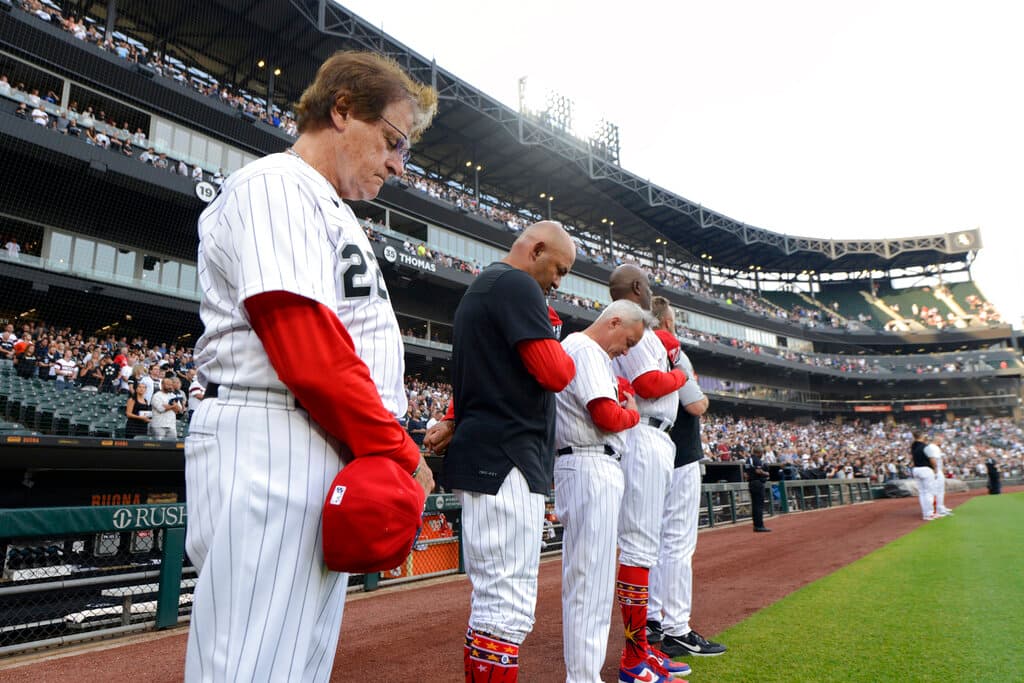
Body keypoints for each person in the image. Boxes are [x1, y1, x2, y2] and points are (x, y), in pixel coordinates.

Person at [183, 51, 437, 683]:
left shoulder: (329, 208)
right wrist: (401, 451)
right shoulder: (275, 183)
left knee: (294, 666)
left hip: (318, 443)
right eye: (393, 142)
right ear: (342, 108)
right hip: (272, 438)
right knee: (249, 667)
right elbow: (306, 346)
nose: (397, 165)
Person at [435, 221, 577, 682]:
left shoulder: (486, 286)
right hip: (506, 460)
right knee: (506, 604)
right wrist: (572, 352)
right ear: (536, 250)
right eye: (559, 268)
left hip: (492, 456)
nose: (559, 282)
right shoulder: (515, 284)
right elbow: (556, 373)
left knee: (497, 601)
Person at [555, 300, 681, 683]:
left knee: (589, 583)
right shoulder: (585, 348)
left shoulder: (587, 352)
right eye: (626, 341)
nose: (626, 351)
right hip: (589, 462)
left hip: (591, 463)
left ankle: (585, 676)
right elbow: (608, 416)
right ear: (612, 322)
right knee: (589, 585)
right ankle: (583, 678)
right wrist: (631, 415)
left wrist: (624, 404)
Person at [607, 265, 689, 683]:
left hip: (654, 437)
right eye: (649, 285)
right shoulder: (629, 321)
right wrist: (682, 375)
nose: (653, 290)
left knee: (647, 546)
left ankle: (642, 651)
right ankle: (633, 657)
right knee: (639, 548)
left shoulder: (643, 327)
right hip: (641, 435)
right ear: (638, 288)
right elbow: (649, 383)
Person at [646, 297, 726, 658]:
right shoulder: (670, 347)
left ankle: (650, 622)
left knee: (648, 542)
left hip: (645, 455)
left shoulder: (634, 348)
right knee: (677, 544)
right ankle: (677, 628)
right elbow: (695, 404)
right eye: (673, 319)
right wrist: (700, 393)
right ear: (664, 319)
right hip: (678, 456)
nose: (675, 324)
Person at [910, 431, 938, 520]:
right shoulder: (925, 447)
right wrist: (936, 469)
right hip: (926, 470)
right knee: (929, 492)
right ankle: (929, 513)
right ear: (922, 436)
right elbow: (932, 460)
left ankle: (926, 513)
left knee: (922, 493)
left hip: (916, 469)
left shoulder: (913, 446)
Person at [744, 446, 772, 532]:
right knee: (759, 505)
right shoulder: (756, 459)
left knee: (755, 505)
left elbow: (745, 474)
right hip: (757, 483)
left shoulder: (748, 459)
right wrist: (766, 473)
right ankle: (759, 526)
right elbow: (758, 471)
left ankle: (757, 525)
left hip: (751, 483)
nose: (762, 455)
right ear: (759, 453)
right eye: (761, 453)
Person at [924, 434, 952, 516]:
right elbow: (933, 460)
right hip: (936, 471)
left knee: (940, 490)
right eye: (941, 441)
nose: (942, 443)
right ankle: (938, 509)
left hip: (937, 470)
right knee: (937, 490)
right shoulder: (933, 447)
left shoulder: (933, 447)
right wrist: (936, 470)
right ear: (937, 440)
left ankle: (940, 507)